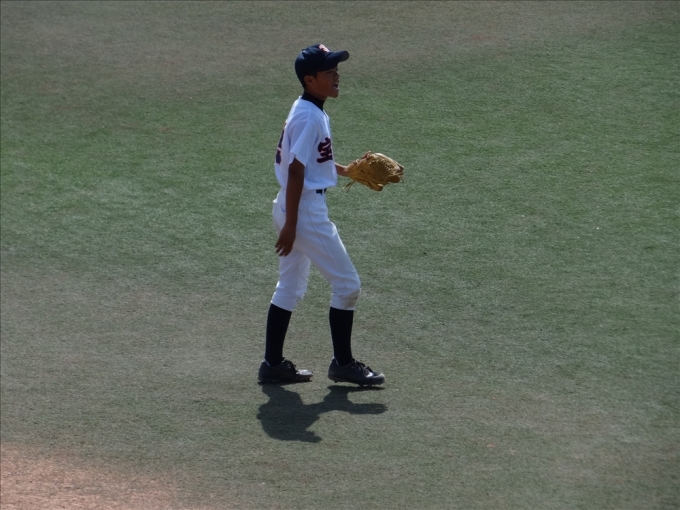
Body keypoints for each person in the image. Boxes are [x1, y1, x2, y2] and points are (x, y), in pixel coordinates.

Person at [258, 44, 385, 386]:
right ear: (310, 79)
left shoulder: (308, 107)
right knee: (347, 285)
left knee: (289, 286)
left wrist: (345, 171)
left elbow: (311, 161)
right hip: (303, 211)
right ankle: (343, 364)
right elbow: (296, 170)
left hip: (290, 205)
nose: (336, 76)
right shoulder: (310, 116)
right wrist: (292, 225)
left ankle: (272, 365)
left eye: (336, 70)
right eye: (329, 72)